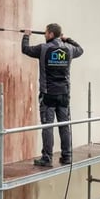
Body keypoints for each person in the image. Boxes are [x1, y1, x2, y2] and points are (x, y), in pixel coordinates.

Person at [22, 23, 83, 167]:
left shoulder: (43, 49)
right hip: (64, 95)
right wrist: (67, 40)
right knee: (64, 126)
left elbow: (25, 49)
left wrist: (26, 35)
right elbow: (81, 50)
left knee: (47, 126)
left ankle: (47, 158)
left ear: (50, 34)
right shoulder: (68, 49)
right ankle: (67, 156)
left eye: (46, 32)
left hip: (48, 95)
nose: (44, 34)